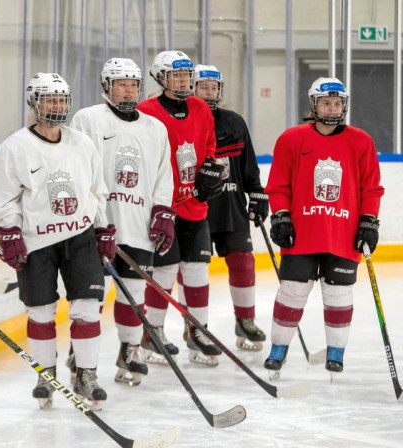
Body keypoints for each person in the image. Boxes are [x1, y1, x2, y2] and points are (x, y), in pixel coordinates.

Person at [0, 72, 113, 410]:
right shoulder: (15, 147)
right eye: (49, 99)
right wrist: (9, 231)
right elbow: (5, 199)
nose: (57, 106)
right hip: (37, 243)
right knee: (41, 312)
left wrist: (102, 229)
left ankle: (87, 374)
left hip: (81, 238)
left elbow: (96, 190)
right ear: (35, 103)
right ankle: (46, 374)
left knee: (87, 309)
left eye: (61, 99)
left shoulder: (82, 144)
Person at [263, 77, 384, 377]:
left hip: (343, 235)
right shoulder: (291, 139)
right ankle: (278, 350)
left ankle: (336, 354)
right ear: (313, 104)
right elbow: (278, 186)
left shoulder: (361, 141)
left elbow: (371, 189)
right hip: (301, 233)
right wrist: (280, 215)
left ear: (344, 105)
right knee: (291, 292)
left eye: (337, 102)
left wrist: (369, 220)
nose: (332, 108)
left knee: (339, 295)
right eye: (326, 102)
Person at [70, 58, 174, 386]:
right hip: (97, 225)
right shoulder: (88, 119)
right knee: (91, 295)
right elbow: (77, 168)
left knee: (134, 292)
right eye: (121, 83)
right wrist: (91, 219)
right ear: (106, 87)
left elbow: (163, 175)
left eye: (133, 84)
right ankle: (79, 351)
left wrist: (163, 211)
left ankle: (129, 349)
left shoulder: (155, 127)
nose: (129, 90)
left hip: (139, 225)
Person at [136, 51, 225, 366]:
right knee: (164, 270)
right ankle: (153, 331)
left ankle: (198, 331)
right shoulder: (146, 111)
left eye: (187, 76)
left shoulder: (201, 108)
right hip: (163, 207)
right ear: (161, 78)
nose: (184, 81)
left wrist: (210, 170)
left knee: (197, 269)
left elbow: (210, 146)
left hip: (196, 205)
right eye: (176, 76)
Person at [192, 64, 268, 352]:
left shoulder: (234, 121)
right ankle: (196, 330)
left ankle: (245, 320)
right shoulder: (186, 120)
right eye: (203, 86)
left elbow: (248, 165)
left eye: (214, 87)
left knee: (243, 261)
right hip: (195, 208)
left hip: (232, 206)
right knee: (194, 270)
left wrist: (258, 194)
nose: (210, 92)